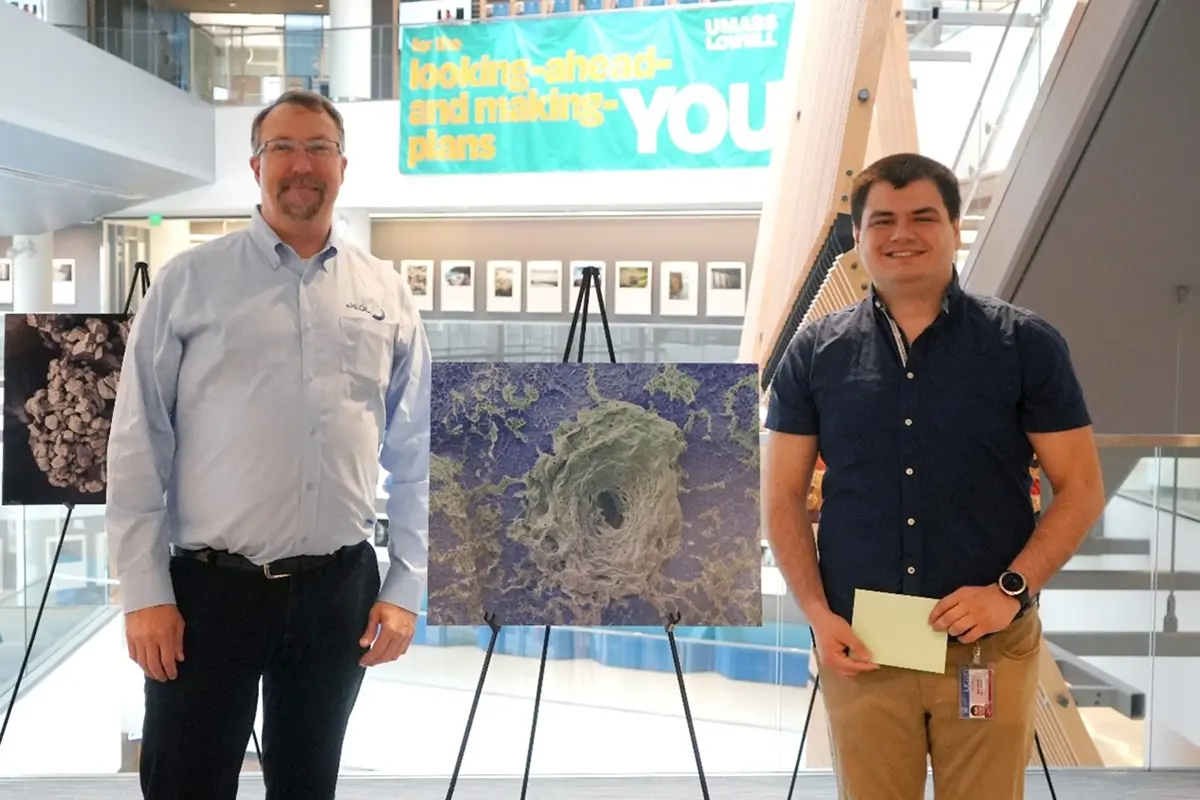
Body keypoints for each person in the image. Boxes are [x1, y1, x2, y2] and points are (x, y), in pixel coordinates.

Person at [106, 89, 431, 800]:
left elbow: (416, 451)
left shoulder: (385, 290)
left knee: (309, 787)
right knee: (185, 785)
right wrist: (143, 593)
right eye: (283, 147)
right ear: (256, 165)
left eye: (317, 147)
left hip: (337, 593)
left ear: (342, 165)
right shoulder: (190, 282)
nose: (301, 164)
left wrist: (407, 585)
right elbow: (138, 444)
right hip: (206, 595)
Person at [762, 152, 1105, 799]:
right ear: (860, 237)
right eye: (882, 220)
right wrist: (815, 612)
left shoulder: (1026, 346)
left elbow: (1081, 487)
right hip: (863, 646)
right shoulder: (815, 354)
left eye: (923, 216)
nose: (902, 234)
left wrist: (1008, 589)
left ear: (953, 228)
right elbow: (780, 497)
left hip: (988, 644)